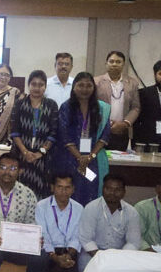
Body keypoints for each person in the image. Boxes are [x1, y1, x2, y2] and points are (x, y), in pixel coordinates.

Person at [57, 72, 110, 206]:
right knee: (72, 194)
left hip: (93, 161)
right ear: (74, 87)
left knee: (91, 193)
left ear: (94, 88)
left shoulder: (102, 108)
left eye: (88, 86)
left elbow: (104, 136)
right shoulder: (66, 107)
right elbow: (64, 135)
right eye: (80, 85)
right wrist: (80, 157)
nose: (85, 89)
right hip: (70, 160)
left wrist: (90, 157)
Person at [32, 172, 83, 272]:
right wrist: (55, 257)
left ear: (73, 189)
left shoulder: (79, 208)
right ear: (52, 187)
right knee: (42, 265)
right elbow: (42, 234)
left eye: (67, 188)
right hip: (48, 250)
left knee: (71, 271)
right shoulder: (41, 206)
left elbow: (77, 236)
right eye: (59, 187)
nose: (63, 191)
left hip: (69, 251)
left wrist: (68, 255)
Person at [78, 174, 141, 272]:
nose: (112, 193)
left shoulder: (131, 212)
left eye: (117, 190)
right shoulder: (91, 208)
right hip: (93, 253)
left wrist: (119, 258)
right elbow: (86, 239)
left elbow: (133, 242)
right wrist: (101, 257)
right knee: (87, 271)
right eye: (108, 189)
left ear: (124, 192)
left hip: (120, 254)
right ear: (103, 189)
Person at [10, 70, 59, 199]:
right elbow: (14, 132)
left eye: (41, 85)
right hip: (21, 156)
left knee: (41, 192)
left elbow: (53, 133)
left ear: (45, 86)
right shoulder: (20, 104)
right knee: (20, 193)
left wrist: (40, 153)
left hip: (43, 158)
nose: (37, 88)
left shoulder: (51, 105)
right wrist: (25, 152)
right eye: (33, 84)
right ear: (28, 85)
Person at [94, 51, 140, 151]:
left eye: (118, 62)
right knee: (100, 157)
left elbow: (136, 107)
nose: (114, 64)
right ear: (106, 63)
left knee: (120, 159)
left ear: (123, 64)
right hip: (101, 129)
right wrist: (108, 123)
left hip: (122, 131)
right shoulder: (96, 82)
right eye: (111, 61)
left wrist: (125, 123)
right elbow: (93, 105)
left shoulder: (132, 83)